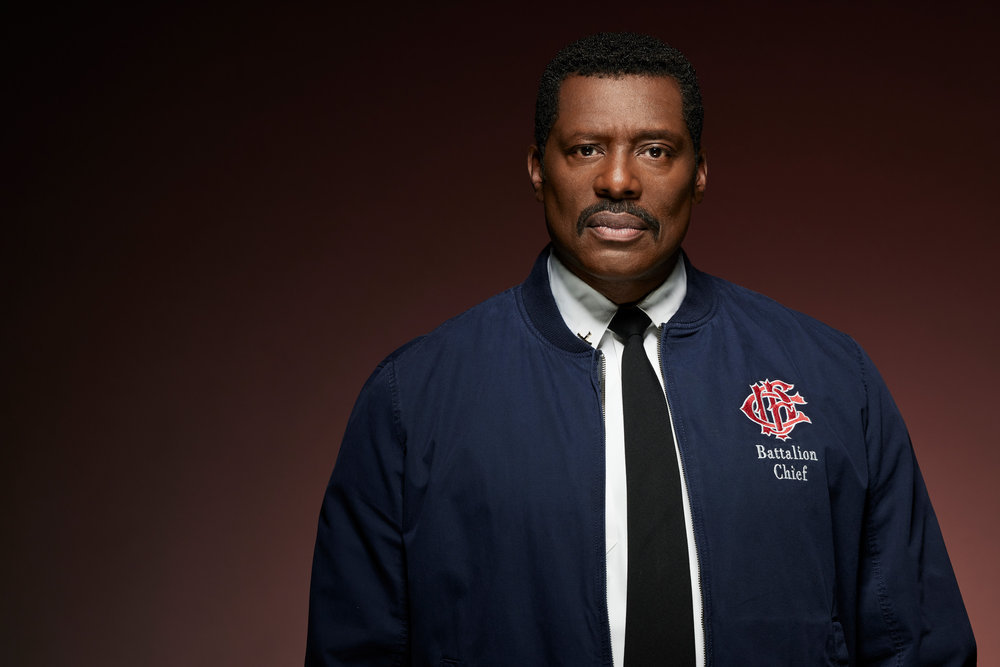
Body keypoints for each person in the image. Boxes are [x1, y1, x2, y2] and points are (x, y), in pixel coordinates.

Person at [306, 33, 975, 666]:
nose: (619, 180)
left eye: (655, 150)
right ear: (538, 168)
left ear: (700, 173)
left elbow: (916, 644)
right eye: (585, 149)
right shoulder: (413, 398)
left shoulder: (831, 379)